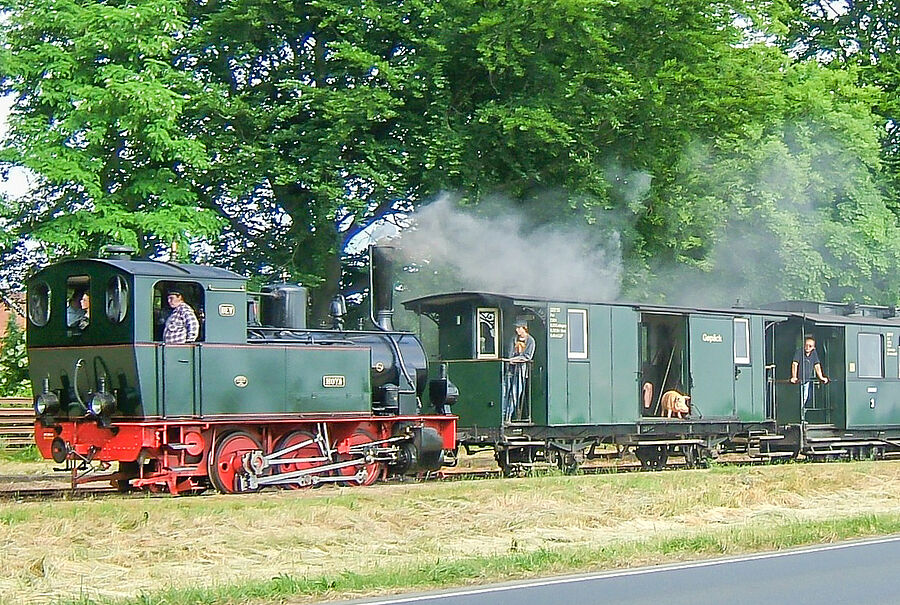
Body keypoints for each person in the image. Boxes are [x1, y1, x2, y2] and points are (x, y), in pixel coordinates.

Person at [502, 319, 535, 423]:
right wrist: (511, 360)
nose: (516, 330)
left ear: (524, 328)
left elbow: (527, 356)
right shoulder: (513, 339)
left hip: (521, 370)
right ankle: (502, 416)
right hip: (510, 370)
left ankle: (508, 416)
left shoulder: (530, 341)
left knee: (515, 393)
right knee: (505, 392)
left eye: (518, 328)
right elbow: (510, 353)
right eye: (516, 328)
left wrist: (516, 359)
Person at [790, 336, 829, 409]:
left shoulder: (814, 353)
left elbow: (817, 365)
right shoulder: (799, 352)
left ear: (813, 347)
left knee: (805, 398)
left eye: (810, 346)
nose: (807, 347)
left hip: (807, 381)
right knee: (797, 398)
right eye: (806, 345)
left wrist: (821, 377)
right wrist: (794, 376)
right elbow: (795, 364)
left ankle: (801, 415)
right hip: (798, 381)